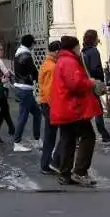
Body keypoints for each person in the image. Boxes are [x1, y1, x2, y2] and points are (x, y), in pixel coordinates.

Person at [51, 35, 106, 187]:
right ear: (73, 47)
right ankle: (80, 172)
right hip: (73, 108)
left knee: (68, 140)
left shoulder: (62, 60)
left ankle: (65, 174)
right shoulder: (69, 62)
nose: (79, 49)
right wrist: (91, 82)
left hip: (65, 107)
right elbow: (75, 84)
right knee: (88, 136)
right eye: (77, 47)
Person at [81, 29, 110, 142]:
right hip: (93, 83)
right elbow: (95, 68)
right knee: (98, 110)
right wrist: (100, 78)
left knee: (90, 109)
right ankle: (104, 134)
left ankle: (102, 134)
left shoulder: (83, 51)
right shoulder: (94, 51)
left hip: (86, 83)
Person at [12, 34, 41, 152]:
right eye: (34, 43)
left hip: (21, 87)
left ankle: (36, 139)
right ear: (30, 43)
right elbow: (34, 71)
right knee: (23, 116)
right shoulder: (26, 55)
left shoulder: (18, 52)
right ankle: (17, 142)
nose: (34, 45)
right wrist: (40, 79)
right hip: (25, 88)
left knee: (37, 113)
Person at [38, 40, 61, 174]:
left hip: (45, 102)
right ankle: (47, 163)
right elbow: (50, 89)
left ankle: (47, 163)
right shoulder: (52, 67)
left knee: (50, 135)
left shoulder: (47, 63)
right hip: (50, 104)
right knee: (52, 136)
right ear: (57, 51)